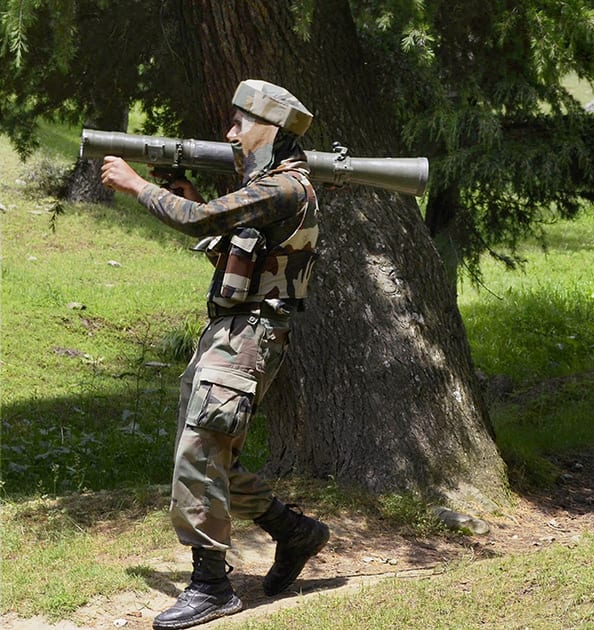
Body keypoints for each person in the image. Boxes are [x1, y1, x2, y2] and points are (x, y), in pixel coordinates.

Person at [101, 80, 330, 629]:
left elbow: (201, 221)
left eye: (239, 123)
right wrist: (180, 188)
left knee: (199, 455)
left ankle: (211, 586)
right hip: (229, 332)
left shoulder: (284, 190)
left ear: (270, 129)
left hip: (249, 337)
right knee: (208, 454)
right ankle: (294, 532)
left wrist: (136, 186)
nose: (229, 134)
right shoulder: (265, 189)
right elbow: (226, 245)